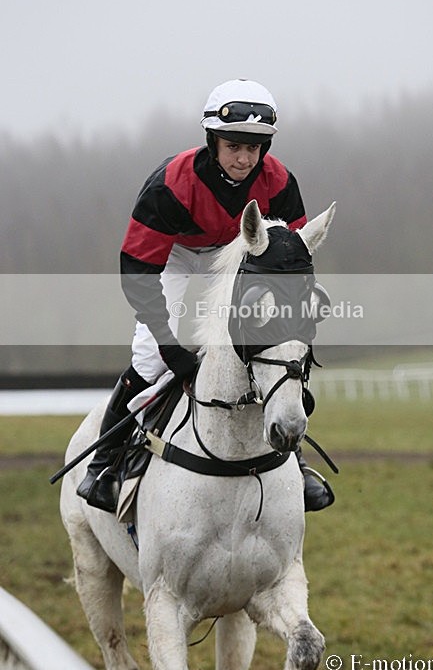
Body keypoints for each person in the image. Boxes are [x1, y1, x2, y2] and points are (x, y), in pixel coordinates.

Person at [77, 78, 332, 513]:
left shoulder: (279, 182)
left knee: (275, 351)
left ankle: (296, 459)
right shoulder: (171, 184)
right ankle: (104, 463)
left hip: (238, 254)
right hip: (175, 254)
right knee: (149, 358)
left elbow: (290, 261)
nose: (244, 158)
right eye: (233, 146)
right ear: (213, 142)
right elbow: (138, 271)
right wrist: (169, 345)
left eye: (254, 148)